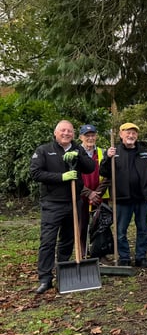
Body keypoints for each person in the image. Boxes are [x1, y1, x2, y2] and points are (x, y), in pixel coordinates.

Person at [29, 120, 96, 294]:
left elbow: (90, 168)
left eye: (69, 131)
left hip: (73, 202)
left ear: (73, 134)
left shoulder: (78, 149)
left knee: (67, 239)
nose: (66, 133)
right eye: (63, 130)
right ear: (55, 132)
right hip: (52, 203)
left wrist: (78, 156)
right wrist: (62, 177)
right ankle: (45, 278)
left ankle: (63, 271)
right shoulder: (44, 150)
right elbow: (35, 173)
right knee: (48, 241)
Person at [101, 123, 147, 267]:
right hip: (122, 198)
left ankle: (141, 257)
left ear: (137, 136)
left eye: (133, 133)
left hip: (142, 198)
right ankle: (124, 257)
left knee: (143, 229)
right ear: (121, 135)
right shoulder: (114, 152)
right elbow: (104, 172)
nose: (131, 136)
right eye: (128, 133)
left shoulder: (144, 152)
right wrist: (107, 158)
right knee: (120, 231)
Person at [77, 124, 110, 249]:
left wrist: (97, 193)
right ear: (81, 137)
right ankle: (82, 253)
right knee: (82, 225)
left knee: (101, 225)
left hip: (99, 196)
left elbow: (108, 175)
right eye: (87, 136)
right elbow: (73, 176)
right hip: (81, 196)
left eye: (92, 135)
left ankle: (99, 252)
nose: (90, 138)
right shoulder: (75, 153)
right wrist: (88, 193)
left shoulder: (102, 153)